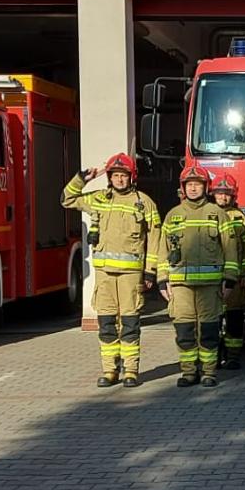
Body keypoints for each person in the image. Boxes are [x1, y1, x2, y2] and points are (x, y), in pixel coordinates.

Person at [62, 153, 159, 388]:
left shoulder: (144, 202)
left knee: (130, 324)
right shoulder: (99, 198)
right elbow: (67, 199)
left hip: (130, 276)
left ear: (131, 177)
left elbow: (155, 238)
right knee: (106, 323)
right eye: (115, 175)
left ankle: (131, 370)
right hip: (104, 275)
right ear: (110, 178)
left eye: (123, 175)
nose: (119, 179)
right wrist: (82, 179)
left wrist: (150, 271)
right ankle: (109, 370)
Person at [155, 166, 242, 388]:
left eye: (197, 184)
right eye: (189, 185)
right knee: (184, 330)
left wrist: (230, 279)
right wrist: (162, 279)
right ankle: (188, 372)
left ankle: (209, 372)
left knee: (209, 331)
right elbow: (162, 250)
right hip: (181, 286)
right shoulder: (173, 215)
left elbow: (230, 249)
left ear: (205, 187)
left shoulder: (217, 213)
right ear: (183, 188)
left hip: (210, 287)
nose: (193, 188)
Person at [212, 173, 245, 370]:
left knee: (234, 316)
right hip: (212, 276)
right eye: (219, 193)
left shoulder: (240, 217)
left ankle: (233, 355)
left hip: (235, 277)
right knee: (212, 319)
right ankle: (214, 355)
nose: (223, 197)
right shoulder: (207, 214)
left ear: (233, 195)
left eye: (227, 193)